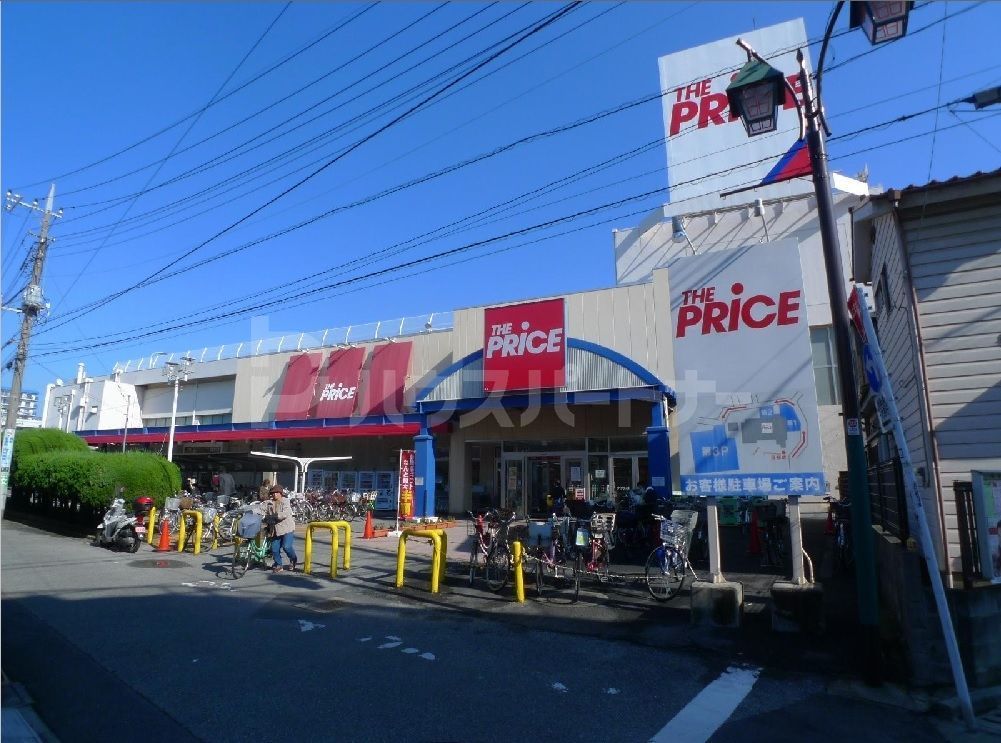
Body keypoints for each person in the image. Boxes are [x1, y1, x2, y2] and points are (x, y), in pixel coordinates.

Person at [265, 485, 297, 573]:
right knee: (274, 548)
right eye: (272, 493)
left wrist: (276, 516)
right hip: (276, 529)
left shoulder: (285, 501)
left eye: (276, 492)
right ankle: (279, 565)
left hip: (287, 528)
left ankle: (293, 559)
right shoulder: (269, 503)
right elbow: (262, 510)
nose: (274, 494)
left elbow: (285, 513)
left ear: (280, 493)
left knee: (287, 547)